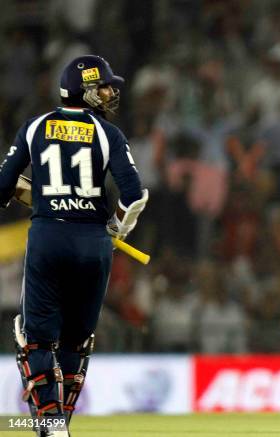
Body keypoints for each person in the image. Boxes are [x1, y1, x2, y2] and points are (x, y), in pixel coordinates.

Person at [0, 55, 148, 437]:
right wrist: (116, 229)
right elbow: (134, 196)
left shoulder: (34, 128)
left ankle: (51, 426)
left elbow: (3, 188)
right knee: (76, 341)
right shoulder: (107, 134)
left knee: (34, 338)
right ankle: (61, 423)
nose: (111, 92)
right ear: (85, 90)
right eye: (104, 86)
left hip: (48, 236)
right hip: (93, 244)